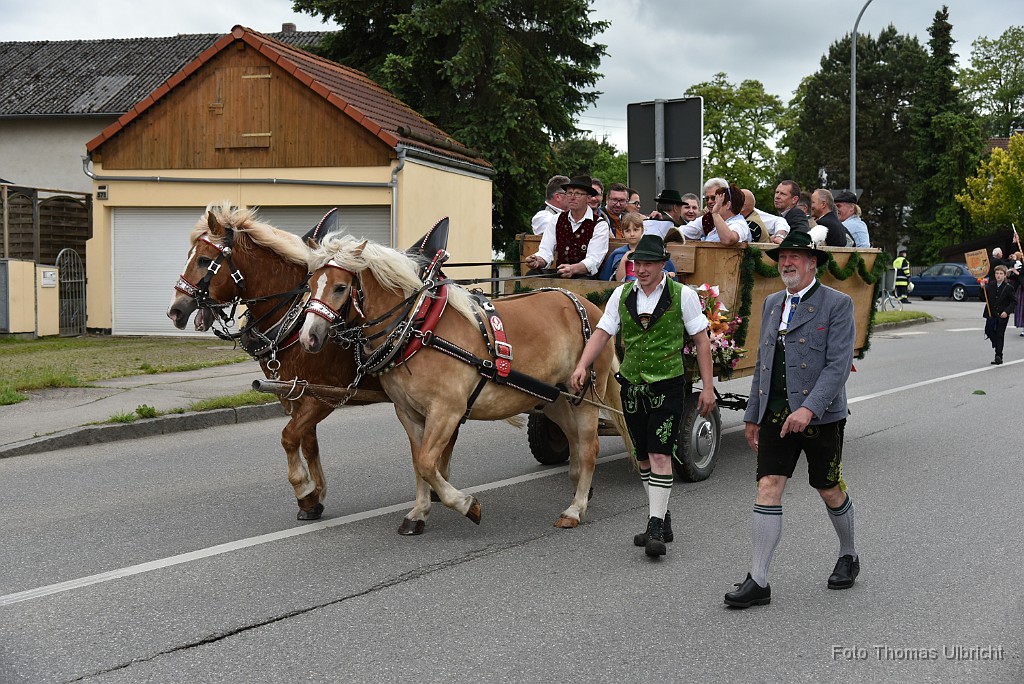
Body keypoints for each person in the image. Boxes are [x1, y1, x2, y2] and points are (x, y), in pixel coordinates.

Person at [724, 230, 858, 608]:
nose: (787, 263)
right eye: (783, 258)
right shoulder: (771, 304)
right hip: (776, 415)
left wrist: (808, 408)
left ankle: (848, 554)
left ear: (812, 262)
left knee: (828, 488)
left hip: (822, 416)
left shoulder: (837, 303)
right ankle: (759, 580)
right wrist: (752, 415)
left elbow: (837, 368)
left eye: (795, 257)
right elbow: (763, 366)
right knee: (768, 486)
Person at [571, 234, 715, 558]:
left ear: (662, 264)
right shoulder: (622, 294)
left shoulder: (683, 295)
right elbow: (602, 333)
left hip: (668, 385)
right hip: (633, 386)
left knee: (661, 453)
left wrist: (707, 387)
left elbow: (702, 341)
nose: (643, 269)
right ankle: (662, 517)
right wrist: (582, 364)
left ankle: (654, 528)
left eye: (649, 263)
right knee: (642, 457)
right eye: (638, 263)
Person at [524, 175, 610, 278]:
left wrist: (573, 269)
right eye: (569, 193)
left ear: (588, 198)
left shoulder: (599, 224)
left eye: (577, 194)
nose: (572, 197)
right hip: (561, 273)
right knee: (532, 275)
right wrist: (538, 260)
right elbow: (546, 251)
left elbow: (593, 260)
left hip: (585, 277)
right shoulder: (556, 219)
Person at [681, 182, 751, 245]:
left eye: (715, 199)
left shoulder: (739, 223)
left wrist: (715, 213)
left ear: (727, 205)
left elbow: (729, 240)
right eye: (707, 199)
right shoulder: (708, 218)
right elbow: (683, 232)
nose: (710, 202)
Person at [983, 264, 1015, 365]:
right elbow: (984, 298)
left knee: (1000, 334)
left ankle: (998, 356)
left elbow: (1013, 302)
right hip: (991, 313)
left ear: (1005, 275)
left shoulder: (1009, 287)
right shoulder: (991, 285)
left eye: (1001, 274)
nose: (998, 275)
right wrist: (982, 288)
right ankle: (996, 344)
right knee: (988, 330)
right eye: (997, 273)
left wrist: (1007, 311)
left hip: (1002, 315)